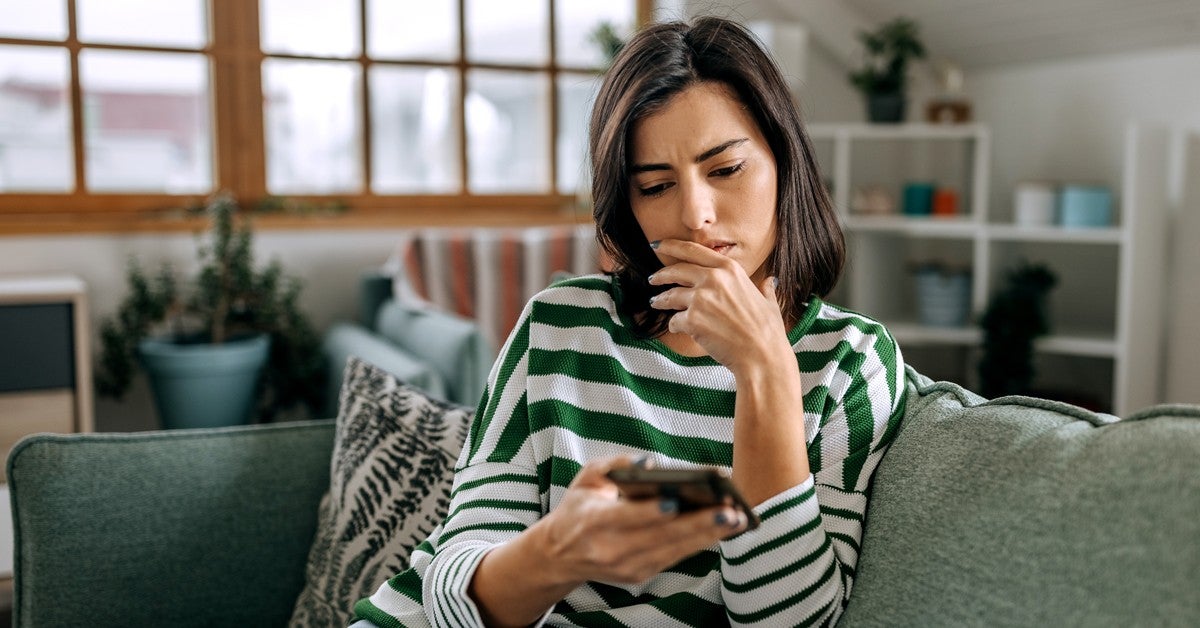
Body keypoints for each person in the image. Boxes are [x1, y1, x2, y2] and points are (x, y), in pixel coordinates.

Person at [353, 15, 906, 627]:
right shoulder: (558, 326)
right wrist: (559, 552)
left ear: (785, 163)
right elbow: (454, 594)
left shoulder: (849, 363)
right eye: (656, 185)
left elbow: (788, 623)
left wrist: (766, 369)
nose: (695, 215)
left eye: (725, 170)